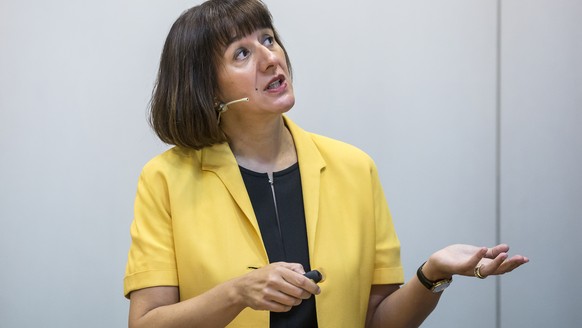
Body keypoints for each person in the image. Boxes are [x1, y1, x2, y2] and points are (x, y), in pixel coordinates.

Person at [123, 0, 529, 327]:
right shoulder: (165, 180)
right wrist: (237, 293)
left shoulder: (354, 168)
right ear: (206, 89)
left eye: (268, 39)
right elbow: (146, 323)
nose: (269, 58)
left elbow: (379, 321)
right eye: (242, 53)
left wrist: (433, 273)